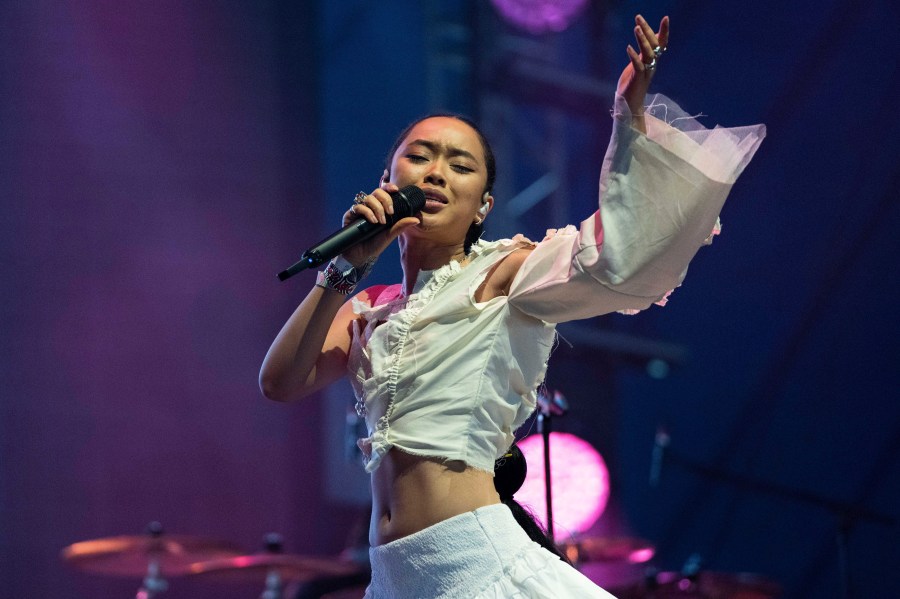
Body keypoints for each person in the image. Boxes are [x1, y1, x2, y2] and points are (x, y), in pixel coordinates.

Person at [260, 14, 765, 599]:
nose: (436, 173)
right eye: (420, 156)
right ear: (387, 178)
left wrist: (628, 116)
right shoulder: (370, 306)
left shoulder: (501, 273)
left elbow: (613, 259)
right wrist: (346, 266)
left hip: (477, 565)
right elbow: (281, 382)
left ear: (483, 206)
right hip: (397, 581)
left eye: (460, 165)